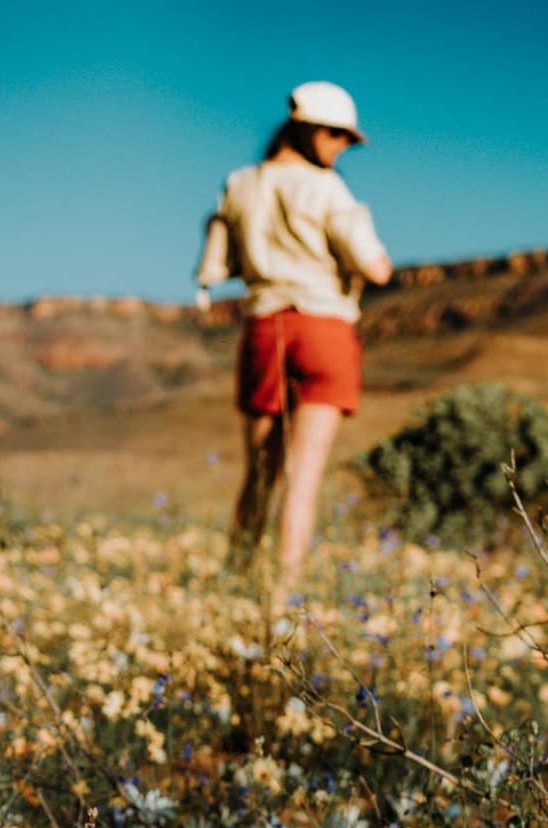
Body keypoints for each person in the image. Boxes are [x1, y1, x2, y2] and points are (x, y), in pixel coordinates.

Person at [196, 81, 392, 605]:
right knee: (303, 479)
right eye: (339, 136)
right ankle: (280, 603)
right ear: (311, 131)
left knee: (259, 474)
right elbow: (376, 267)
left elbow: (217, 265)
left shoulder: (239, 184)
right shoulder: (328, 189)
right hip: (324, 328)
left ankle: (234, 587)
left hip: (265, 327)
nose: (344, 147)